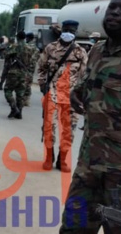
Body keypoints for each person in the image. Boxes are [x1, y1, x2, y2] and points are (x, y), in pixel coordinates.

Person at [61, 0, 121, 232]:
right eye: (113, 7)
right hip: (88, 166)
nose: (116, 13)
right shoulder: (97, 51)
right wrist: (77, 90)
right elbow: (93, 82)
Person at [37, 20, 87, 172]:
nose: (68, 32)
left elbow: (85, 75)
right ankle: (49, 157)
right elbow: (41, 67)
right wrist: (42, 85)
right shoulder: (51, 48)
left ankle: (62, 160)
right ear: (61, 30)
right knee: (49, 127)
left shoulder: (80, 52)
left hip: (71, 95)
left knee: (69, 129)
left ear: (76, 32)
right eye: (66, 29)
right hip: (52, 92)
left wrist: (81, 94)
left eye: (72, 30)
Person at [23, 32, 39, 106]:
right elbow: (38, 59)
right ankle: (27, 100)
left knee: (23, 83)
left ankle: (23, 99)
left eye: (26, 38)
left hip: (25, 67)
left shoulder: (26, 46)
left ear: (28, 38)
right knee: (29, 84)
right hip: (32, 68)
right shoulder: (37, 48)